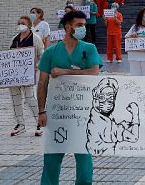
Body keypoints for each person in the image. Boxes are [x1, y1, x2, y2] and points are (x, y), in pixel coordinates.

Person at [37, 10, 102, 185]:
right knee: (52, 156)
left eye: (84, 25)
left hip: (83, 112)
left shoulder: (89, 48)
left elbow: (94, 72)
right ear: (67, 27)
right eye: (79, 25)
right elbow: (42, 83)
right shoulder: (51, 52)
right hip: (57, 112)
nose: (83, 29)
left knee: (83, 155)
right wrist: (41, 111)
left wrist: (64, 71)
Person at [6, 16, 46, 136]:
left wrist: (37, 66)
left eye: (23, 23)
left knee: (30, 98)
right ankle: (20, 124)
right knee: (15, 99)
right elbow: (8, 55)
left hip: (28, 74)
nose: (20, 25)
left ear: (29, 25)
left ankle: (40, 123)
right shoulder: (14, 39)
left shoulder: (35, 38)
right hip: (14, 74)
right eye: (19, 23)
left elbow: (42, 55)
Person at [125, 9, 145, 76]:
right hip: (134, 57)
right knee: (135, 77)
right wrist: (132, 36)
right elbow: (127, 38)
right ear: (141, 15)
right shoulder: (134, 27)